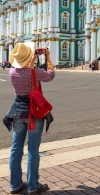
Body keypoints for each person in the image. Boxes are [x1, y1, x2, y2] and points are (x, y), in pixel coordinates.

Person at [3, 43, 55, 194]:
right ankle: (33, 185)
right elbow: (51, 75)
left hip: (18, 111)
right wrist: (48, 57)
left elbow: (25, 70)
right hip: (34, 112)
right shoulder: (36, 72)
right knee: (33, 149)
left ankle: (15, 184)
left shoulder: (12, 72)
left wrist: (32, 59)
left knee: (16, 148)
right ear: (29, 57)